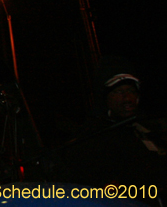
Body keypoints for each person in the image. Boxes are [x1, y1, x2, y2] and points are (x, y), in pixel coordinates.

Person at [62, 57, 166, 206]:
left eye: (131, 90)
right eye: (118, 92)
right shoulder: (91, 136)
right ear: (105, 98)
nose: (127, 98)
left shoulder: (150, 129)